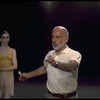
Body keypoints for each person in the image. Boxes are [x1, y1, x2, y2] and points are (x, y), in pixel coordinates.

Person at [19, 26, 82, 99]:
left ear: (66, 39)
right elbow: (45, 68)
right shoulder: (50, 54)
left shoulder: (74, 54)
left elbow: (72, 67)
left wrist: (56, 64)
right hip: (51, 96)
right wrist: (28, 75)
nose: (54, 40)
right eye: (53, 37)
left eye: (58, 37)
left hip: (69, 97)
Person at [0, 30, 18, 99]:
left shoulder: (13, 51)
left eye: (7, 37)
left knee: (7, 96)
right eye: (3, 37)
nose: (6, 39)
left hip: (9, 77)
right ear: (0, 39)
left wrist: (1, 69)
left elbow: (15, 66)